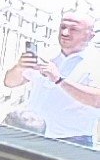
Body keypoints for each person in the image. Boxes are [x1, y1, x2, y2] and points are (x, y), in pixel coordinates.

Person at [6, 12, 100, 144]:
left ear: (90, 36)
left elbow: (97, 100)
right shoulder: (46, 53)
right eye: (63, 27)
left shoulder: (95, 62)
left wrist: (59, 80)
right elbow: (10, 82)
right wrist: (19, 67)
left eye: (73, 29)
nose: (65, 33)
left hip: (72, 140)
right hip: (33, 134)